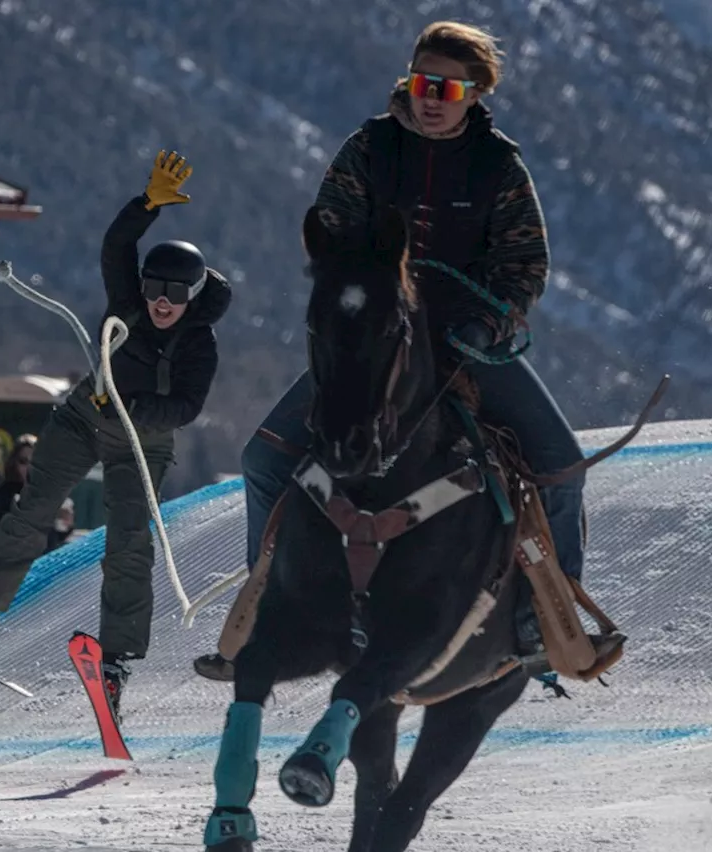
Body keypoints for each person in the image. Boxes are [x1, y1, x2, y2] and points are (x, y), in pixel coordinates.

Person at [195, 20, 576, 679]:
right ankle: (267, 615)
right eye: (423, 82)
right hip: (372, 343)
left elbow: (527, 264)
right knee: (263, 459)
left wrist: (487, 323)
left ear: (475, 94)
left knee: (563, 465)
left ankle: (547, 618)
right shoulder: (369, 149)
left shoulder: (500, 166)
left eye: (449, 88)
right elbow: (332, 229)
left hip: (467, 344)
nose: (432, 97)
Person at [0, 150, 232, 716]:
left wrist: (132, 407)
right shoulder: (129, 302)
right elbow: (116, 246)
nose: (162, 301)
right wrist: (146, 205)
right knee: (32, 510)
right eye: (155, 286)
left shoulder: (199, 343)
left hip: (142, 443)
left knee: (127, 544)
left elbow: (187, 407)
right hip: (80, 418)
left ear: (193, 297)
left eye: (176, 291)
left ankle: (115, 660)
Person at [0, 434, 74, 552]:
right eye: (23, 461)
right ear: (14, 463)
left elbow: (54, 537)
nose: (30, 467)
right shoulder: (0, 496)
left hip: (44, 564)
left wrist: (65, 525)